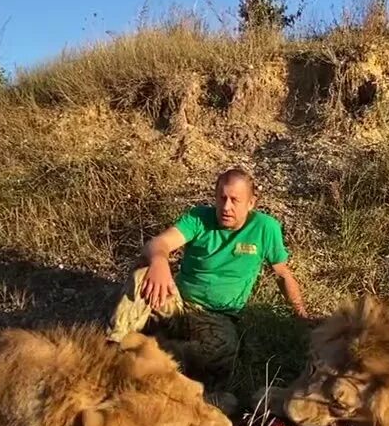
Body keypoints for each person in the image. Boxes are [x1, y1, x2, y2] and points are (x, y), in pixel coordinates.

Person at [107, 167, 309, 411]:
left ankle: (158, 362)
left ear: (251, 202)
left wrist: (300, 314)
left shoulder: (265, 228)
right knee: (142, 277)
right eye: (221, 198)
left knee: (221, 350)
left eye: (235, 200)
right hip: (177, 301)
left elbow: (283, 274)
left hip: (217, 316)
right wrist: (159, 261)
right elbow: (158, 244)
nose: (226, 207)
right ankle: (112, 352)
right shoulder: (199, 218)